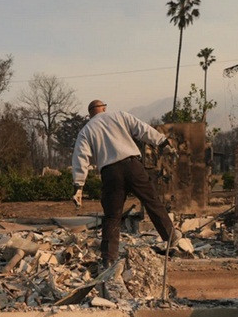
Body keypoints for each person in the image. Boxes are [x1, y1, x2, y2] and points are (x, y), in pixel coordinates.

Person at [71, 100, 179, 265]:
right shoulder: (119, 115)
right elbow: (142, 129)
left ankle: (108, 258)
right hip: (132, 166)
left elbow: (81, 158)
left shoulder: (86, 130)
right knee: (152, 201)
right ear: (104, 108)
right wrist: (162, 142)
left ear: (90, 113)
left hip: (110, 173)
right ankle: (171, 239)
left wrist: (78, 186)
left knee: (112, 216)